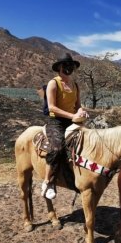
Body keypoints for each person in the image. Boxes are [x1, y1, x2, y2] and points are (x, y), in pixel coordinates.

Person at [41, 53, 88, 200]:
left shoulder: (75, 85)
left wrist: (81, 112)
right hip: (56, 122)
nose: (69, 68)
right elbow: (52, 107)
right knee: (57, 148)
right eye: (66, 65)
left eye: (71, 65)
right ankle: (48, 181)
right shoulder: (53, 83)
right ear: (60, 67)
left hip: (72, 120)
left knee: (90, 141)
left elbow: (78, 106)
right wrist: (72, 116)